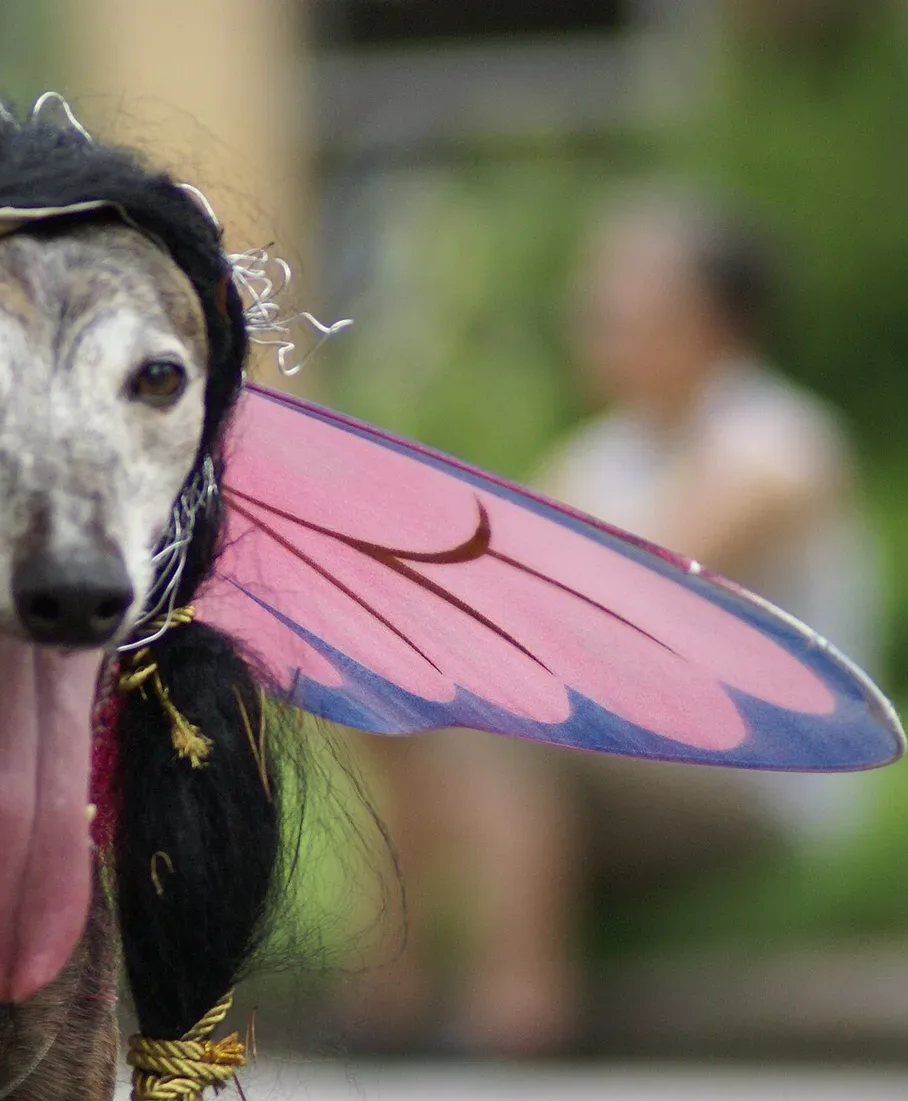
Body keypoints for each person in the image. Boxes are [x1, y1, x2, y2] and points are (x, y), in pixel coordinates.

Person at [336, 192, 881, 1057]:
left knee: (508, 726)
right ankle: (385, 996)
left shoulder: (781, 448)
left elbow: (622, 599)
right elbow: (503, 596)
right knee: (397, 706)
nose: (597, 318)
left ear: (712, 321)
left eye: (625, 298)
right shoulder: (601, 453)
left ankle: (519, 1009)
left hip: (751, 774)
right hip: (627, 757)